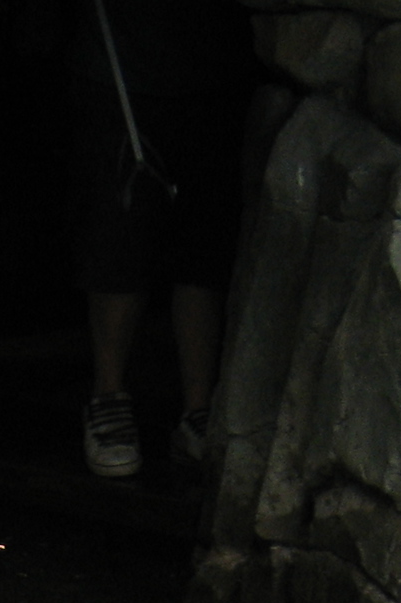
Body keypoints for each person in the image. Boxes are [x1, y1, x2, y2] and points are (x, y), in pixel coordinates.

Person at [72, 0, 254, 481]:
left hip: (215, 63)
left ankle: (198, 409)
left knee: (205, 238)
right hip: (122, 63)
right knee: (120, 228)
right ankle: (108, 396)